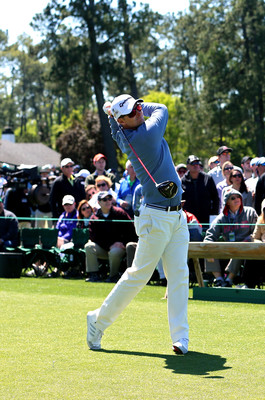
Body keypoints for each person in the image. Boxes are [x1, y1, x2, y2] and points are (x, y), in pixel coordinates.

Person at [87, 95, 190, 355]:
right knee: (139, 274)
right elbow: (163, 108)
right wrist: (118, 111)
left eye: (138, 107)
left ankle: (181, 338)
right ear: (124, 120)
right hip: (156, 217)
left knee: (179, 274)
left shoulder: (124, 131)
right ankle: (98, 321)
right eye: (133, 112)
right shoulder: (145, 135)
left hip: (176, 215)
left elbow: (116, 126)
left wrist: (113, 113)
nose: (139, 112)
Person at [203, 188, 258, 287]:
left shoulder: (250, 212)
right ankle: (219, 279)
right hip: (228, 247)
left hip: (246, 246)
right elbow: (210, 235)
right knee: (208, 246)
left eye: (238, 197)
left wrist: (248, 240)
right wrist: (208, 247)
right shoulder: (221, 218)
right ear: (227, 202)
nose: (237, 199)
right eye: (232, 198)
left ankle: (229, 280)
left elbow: (256, 233)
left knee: (240, 249)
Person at [84, 191, 136, 283]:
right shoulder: (94, 217)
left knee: (114, 251)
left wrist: (123, 243)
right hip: (104, 247)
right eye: (104, 199)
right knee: (89, 246)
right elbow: (93, 237)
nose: (108, 201)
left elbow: (131, 231)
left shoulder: (120, 213)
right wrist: (109, 245)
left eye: (109, 199)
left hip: (119, 248)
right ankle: (94, 275)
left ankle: (113, 276)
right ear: (99, 202)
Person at [180, 154, 219, 230]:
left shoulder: (208, 179)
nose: (196, 165)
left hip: (206, 219)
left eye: (197, 163)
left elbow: (215, 199)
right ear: (188, 166)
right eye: (193, 163)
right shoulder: (182, 181)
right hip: (189, 220)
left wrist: (213, 215)